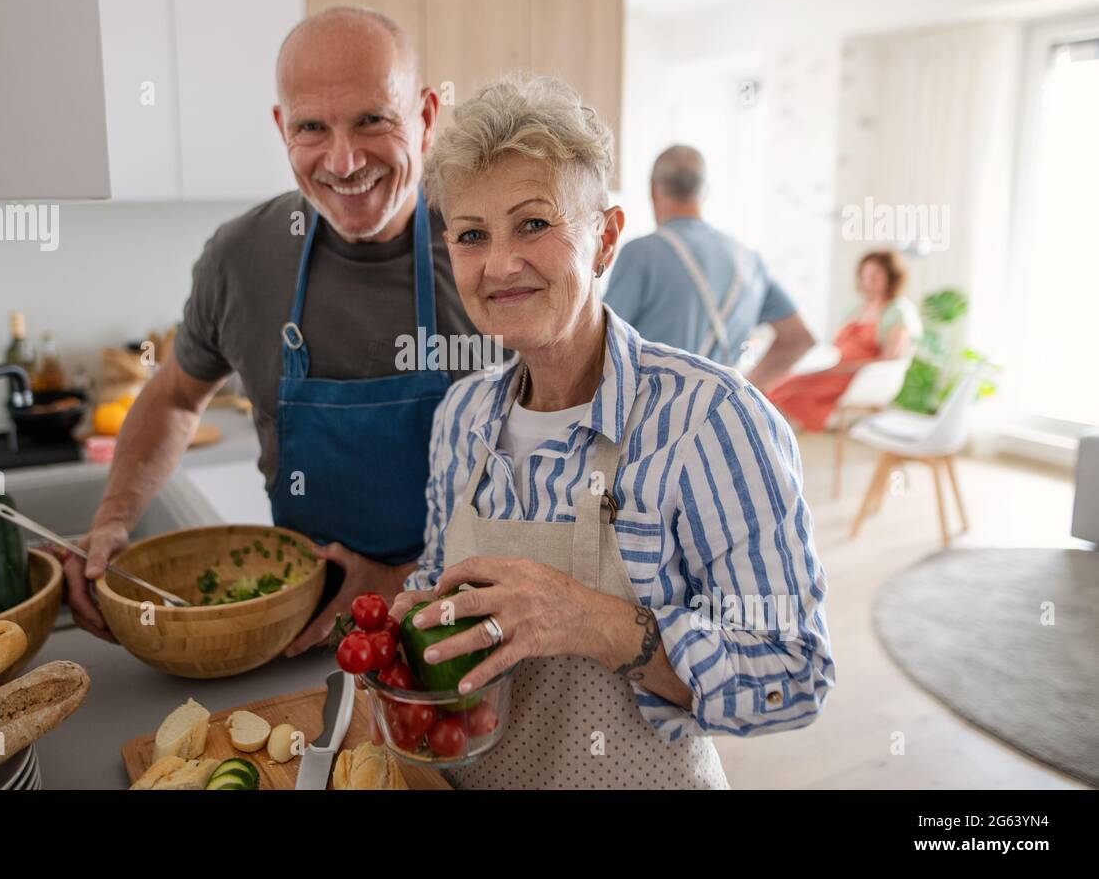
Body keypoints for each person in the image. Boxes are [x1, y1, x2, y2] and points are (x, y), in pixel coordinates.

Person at [392, 75, 834, 789]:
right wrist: (414, 613)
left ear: (605, 238)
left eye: (533, 224)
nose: (500, 264)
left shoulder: (714, 419)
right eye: (472, 236)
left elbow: (794, 673)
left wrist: (595, 622)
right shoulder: (462, 416)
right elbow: (441, 574)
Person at [63, 7, 483, 653]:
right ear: (281, 127)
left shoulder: (487, 253)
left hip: (463, 634)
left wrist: (403, 580)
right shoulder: (242, 258)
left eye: (372, 120)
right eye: (312, 128)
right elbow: (176, 395)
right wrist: (112, 521)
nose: (343, 161)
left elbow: (556, 473)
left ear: (426, 119)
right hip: (299, 637)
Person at [603, 145, 813, 392]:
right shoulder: (749, 261)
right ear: (704, 191)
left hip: (653, 418)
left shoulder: (640, 253)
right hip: (720, 420)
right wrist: (745, 390)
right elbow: (799, 339)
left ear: (653, 189)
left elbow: (602, 346)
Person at [766, 249, 920, 432]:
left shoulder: (898, 312)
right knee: (777, 384)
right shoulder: (857, 308)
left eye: (876, 275)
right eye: (865, 275)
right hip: (830, 369)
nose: (868, 281)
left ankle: (783, 436)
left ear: (891, 277)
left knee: (790, 392)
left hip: (855, 378)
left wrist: (843, 368)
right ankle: (777, 435)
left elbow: (889, 358)